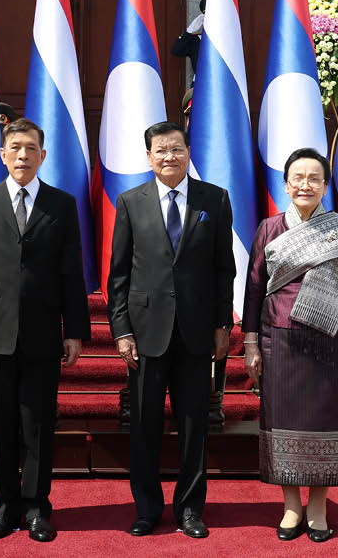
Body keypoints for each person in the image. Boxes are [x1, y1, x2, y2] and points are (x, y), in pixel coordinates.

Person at [0, 118, 91, 543]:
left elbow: (71, 271)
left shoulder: (62, 205)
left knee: (37, 424)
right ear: (2, 154)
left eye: (31, 149)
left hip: (44, 332)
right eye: (15, 148)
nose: (23, 156)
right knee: (0, 425)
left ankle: (37, 507)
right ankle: (4, 506)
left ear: (43, 155)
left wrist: (75, 330)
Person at [107, 121, 235, 539]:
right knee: (144, 424)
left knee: (194, 424)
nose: (169, 157)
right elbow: (120, 275)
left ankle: (190, 509)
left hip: (197, 331)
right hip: (145, 334)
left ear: (188, 151)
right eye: (160, 150)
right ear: (148, 156)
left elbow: (223, 270)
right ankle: (146, 508)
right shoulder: (130, 202)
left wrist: (222, 324)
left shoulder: (213, 199)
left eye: (176, 149)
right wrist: (122, 330)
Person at [241, 147, 338, 543]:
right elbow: (253, 288)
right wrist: (250, 343)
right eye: (297, 177)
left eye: (314, 178)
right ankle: (291, 506)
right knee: (283, 421)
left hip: (327, 344)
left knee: (323, 422)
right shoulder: (268, 228)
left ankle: (318, 505)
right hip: (278, 341)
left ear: (325, 186)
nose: (305, 185)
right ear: (285, 183)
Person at [172, 0, 206, 83]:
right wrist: (189, 31)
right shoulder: (195, 40)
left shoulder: (227, 39)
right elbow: (176, 50)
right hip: (199, 84)